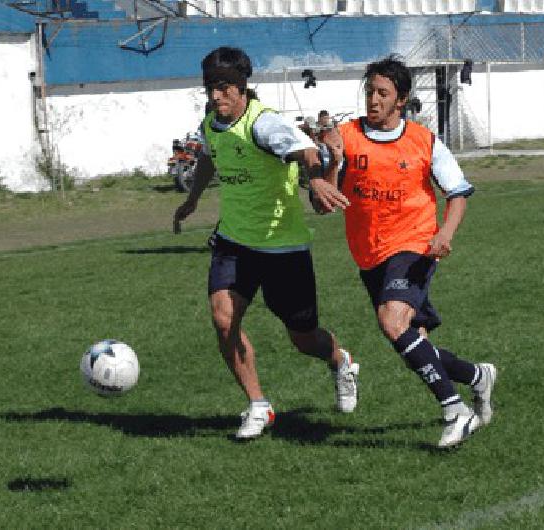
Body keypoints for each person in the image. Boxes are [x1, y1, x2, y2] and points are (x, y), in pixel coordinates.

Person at [173, 47, 359, 440]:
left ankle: (341, 360)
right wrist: (192, 199)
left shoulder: (264, 124)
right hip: (234, 243)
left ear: (242, 89)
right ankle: (259, 405)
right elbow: (209, 155)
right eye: (210, 88)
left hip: (282, 247)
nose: (215, 96)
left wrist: (319, 179)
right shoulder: (212, 123)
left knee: (303, 337)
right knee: (224, 321)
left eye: (224, 88)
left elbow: (306, 151)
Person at [316, 55, 497, 448]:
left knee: (391, 321)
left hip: (414, 245)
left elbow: (458, 194)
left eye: (383, 93)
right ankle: (478, 377)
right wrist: (332, 163)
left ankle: (455, 410)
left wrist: (445, 233)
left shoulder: (423, 141)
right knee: (413, 342)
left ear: (402, 100)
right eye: (369, 92)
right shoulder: (345, 137)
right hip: (369, 255)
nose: (373, 100)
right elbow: (322, 204)